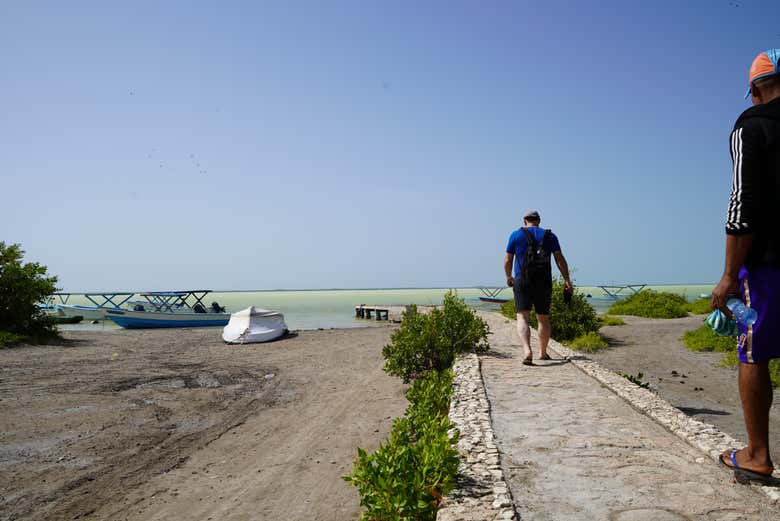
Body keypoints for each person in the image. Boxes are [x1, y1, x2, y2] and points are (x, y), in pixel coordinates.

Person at [712, 49, 780, 484]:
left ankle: (757, 455)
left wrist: (727, 277)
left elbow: (743, 203)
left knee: (754, 353)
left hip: (768, 263)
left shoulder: (751, 126)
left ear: (756, 90)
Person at [504, 210, 572, 365]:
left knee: (523, 317)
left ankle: (527, 350)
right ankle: (543, 352)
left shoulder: (516, 235)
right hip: (544, 281)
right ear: (539, 220)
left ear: (524, 220)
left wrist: (509, 277)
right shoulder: (550, 236)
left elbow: (508, 259)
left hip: (522, 280)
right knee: (543, 318)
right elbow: (559, 259)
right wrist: (567, 279)